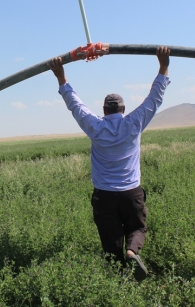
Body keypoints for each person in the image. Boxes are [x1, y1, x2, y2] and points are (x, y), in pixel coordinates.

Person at [47, 46, 171, 281]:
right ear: (123, 110)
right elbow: (154, 98)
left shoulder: (95, 126)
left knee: (109, 240)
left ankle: (117, 280)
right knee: (138, 228)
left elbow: (75, 104)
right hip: (130, 194)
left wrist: (61, 77)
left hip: (104, 196)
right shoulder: (133, 123)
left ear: (104, 111)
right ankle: (132, 251)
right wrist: (163, 66)